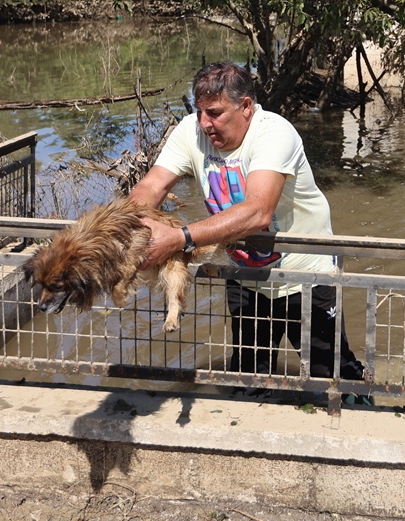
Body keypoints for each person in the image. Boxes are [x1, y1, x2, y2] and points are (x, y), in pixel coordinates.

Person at [129, 61, 366, 383]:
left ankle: (363, 401)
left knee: (332, 375)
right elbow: (152, 186)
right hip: (245, 275)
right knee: (250, 377)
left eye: (215, 113)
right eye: (200, 112)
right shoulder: (189, 131)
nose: (205, 123)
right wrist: (130, 227)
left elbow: (258, 211)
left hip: (306, 273)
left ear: (245, 107)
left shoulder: (273, 133)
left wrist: (179, 237)